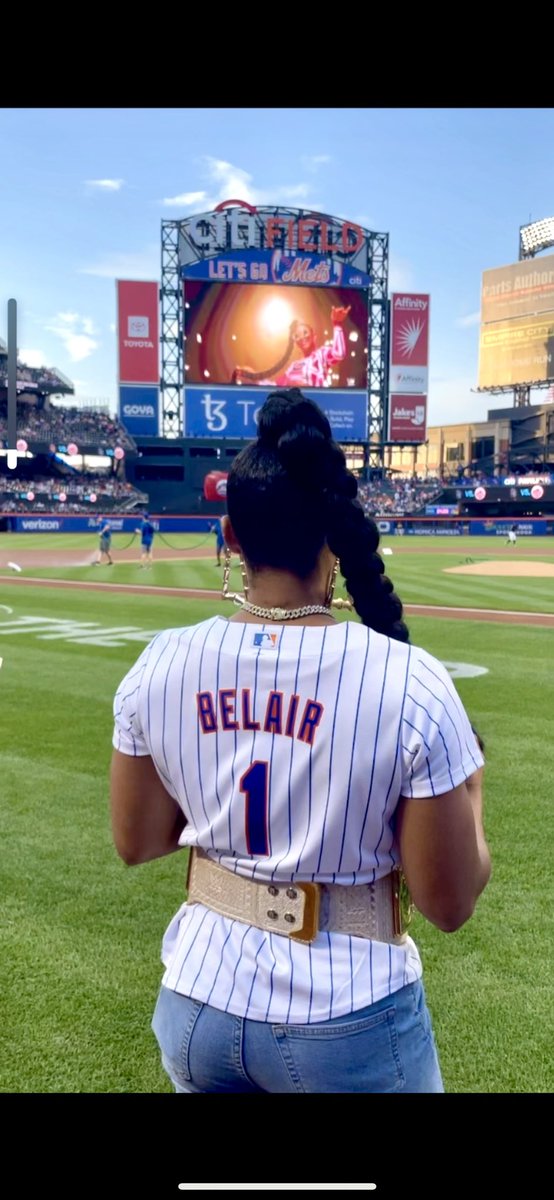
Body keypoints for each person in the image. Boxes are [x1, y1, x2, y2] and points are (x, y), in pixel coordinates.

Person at [110, 388, 491, 1094]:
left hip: (197, 1003)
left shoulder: (159, 661)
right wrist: (473, 792)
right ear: (332, 535)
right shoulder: (410, 680)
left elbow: (137, 840)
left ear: (229, 536)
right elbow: (450, 903)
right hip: (349, 1017)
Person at [232, 305, 350, 389]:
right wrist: (253, 377)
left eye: (305, 333)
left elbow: (339, 353)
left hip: (314, 405)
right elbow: (275, 386)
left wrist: (337, 325)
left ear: (314, 336)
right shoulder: (293, 367)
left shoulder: (321, 355)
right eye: (297, 336)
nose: (302, 338)